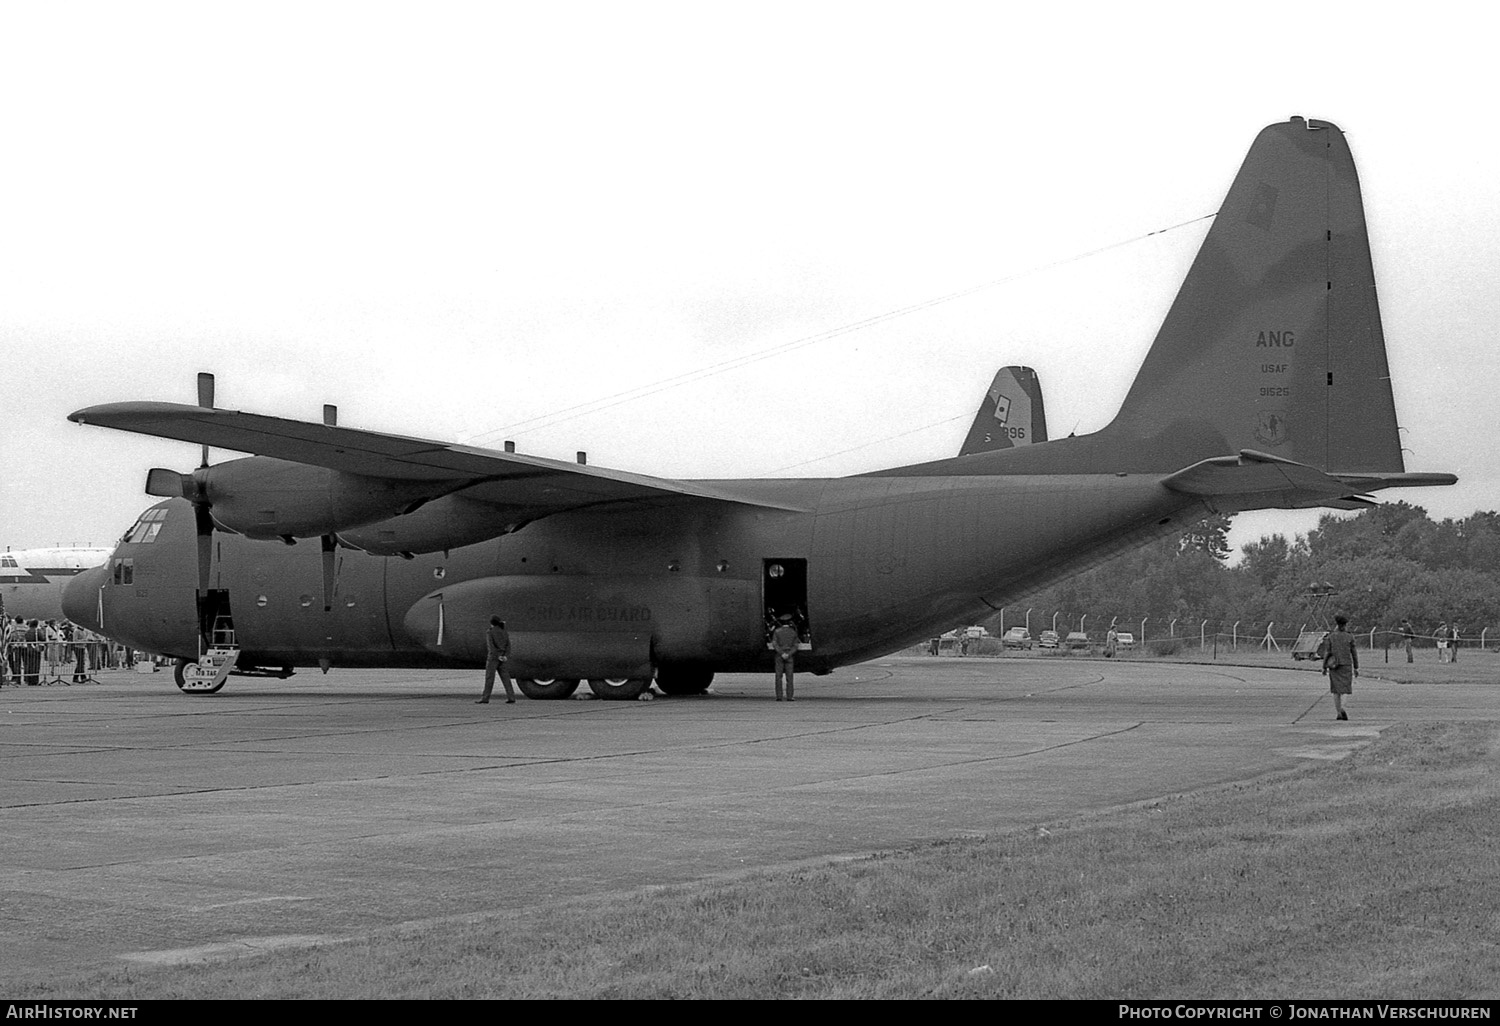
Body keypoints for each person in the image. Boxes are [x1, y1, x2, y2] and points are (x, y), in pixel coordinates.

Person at [1318, 614, 1359, 721]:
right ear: (1345, 625)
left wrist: (1324, 666)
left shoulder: (1331, 637)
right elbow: (1354, 653)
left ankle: (1338, 713)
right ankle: (1343, 708)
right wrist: (1356, 667)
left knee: (1335, 690)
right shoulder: (1349, 637)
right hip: (1346, 665)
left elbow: (1327, 652)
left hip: (1334, 666)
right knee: (1345, 689)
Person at [477, 616, 514, 704]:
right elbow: (508, 645)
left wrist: (497, 656)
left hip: (493, 658)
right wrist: (505, 655)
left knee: (489, 678)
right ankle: (511, 697)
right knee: (506, 678)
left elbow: (491, 646)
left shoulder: (490, 632)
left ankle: (485, 698)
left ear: (491, 623)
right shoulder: (504, 631)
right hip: (503, 657)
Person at [771, 613, 800, 701]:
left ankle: (779, 696)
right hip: (789, 656)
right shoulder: (793, 632)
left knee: (778, 677)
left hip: (779, 656)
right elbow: (796, 645)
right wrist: (788, 654)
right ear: (790, 622)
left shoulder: (777, 631)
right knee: (789, 677)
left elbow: (775, 644)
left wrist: (781, 653)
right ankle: (790, 696)